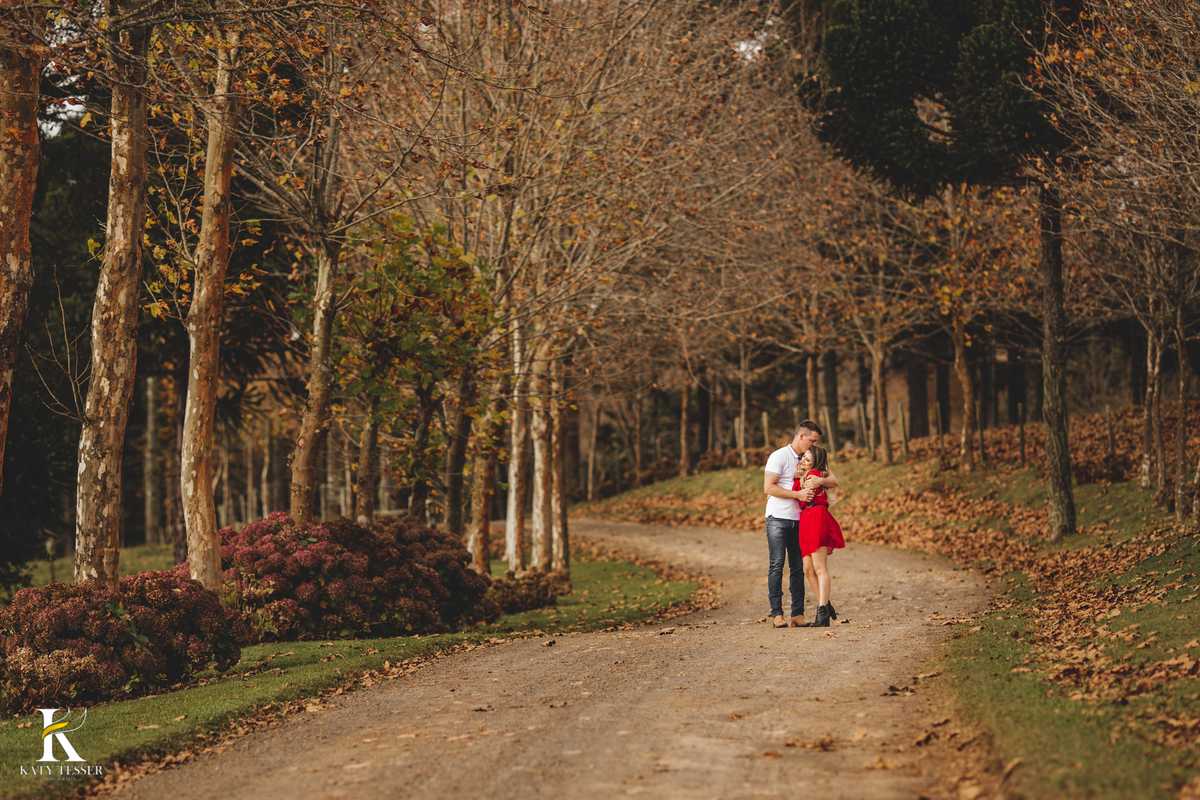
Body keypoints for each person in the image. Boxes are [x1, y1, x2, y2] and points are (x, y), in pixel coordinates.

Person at [763, 420, 839, 628]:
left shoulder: (813, 459)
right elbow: (768, 488)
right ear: (801, 437)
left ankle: (797, 614)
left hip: (803, 520)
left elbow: (833, 480)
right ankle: (777, 614)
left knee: (800, 568)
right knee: (777, 565)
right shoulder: (779, 456)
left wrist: (820, 480)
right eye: (812, 440)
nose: (814, 444)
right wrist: (798, 494)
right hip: (778, 518)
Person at [794, 444, 845, 628]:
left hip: (816, 516)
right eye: (803, 458)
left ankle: (822, 612)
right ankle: (827, 605)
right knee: (808, 569)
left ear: (816, 463)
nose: (803, 462)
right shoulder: (805, 475)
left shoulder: (814, 474)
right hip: (806, 519)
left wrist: (803, 478)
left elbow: (804, 497)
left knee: (819, 567)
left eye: (808, 460)